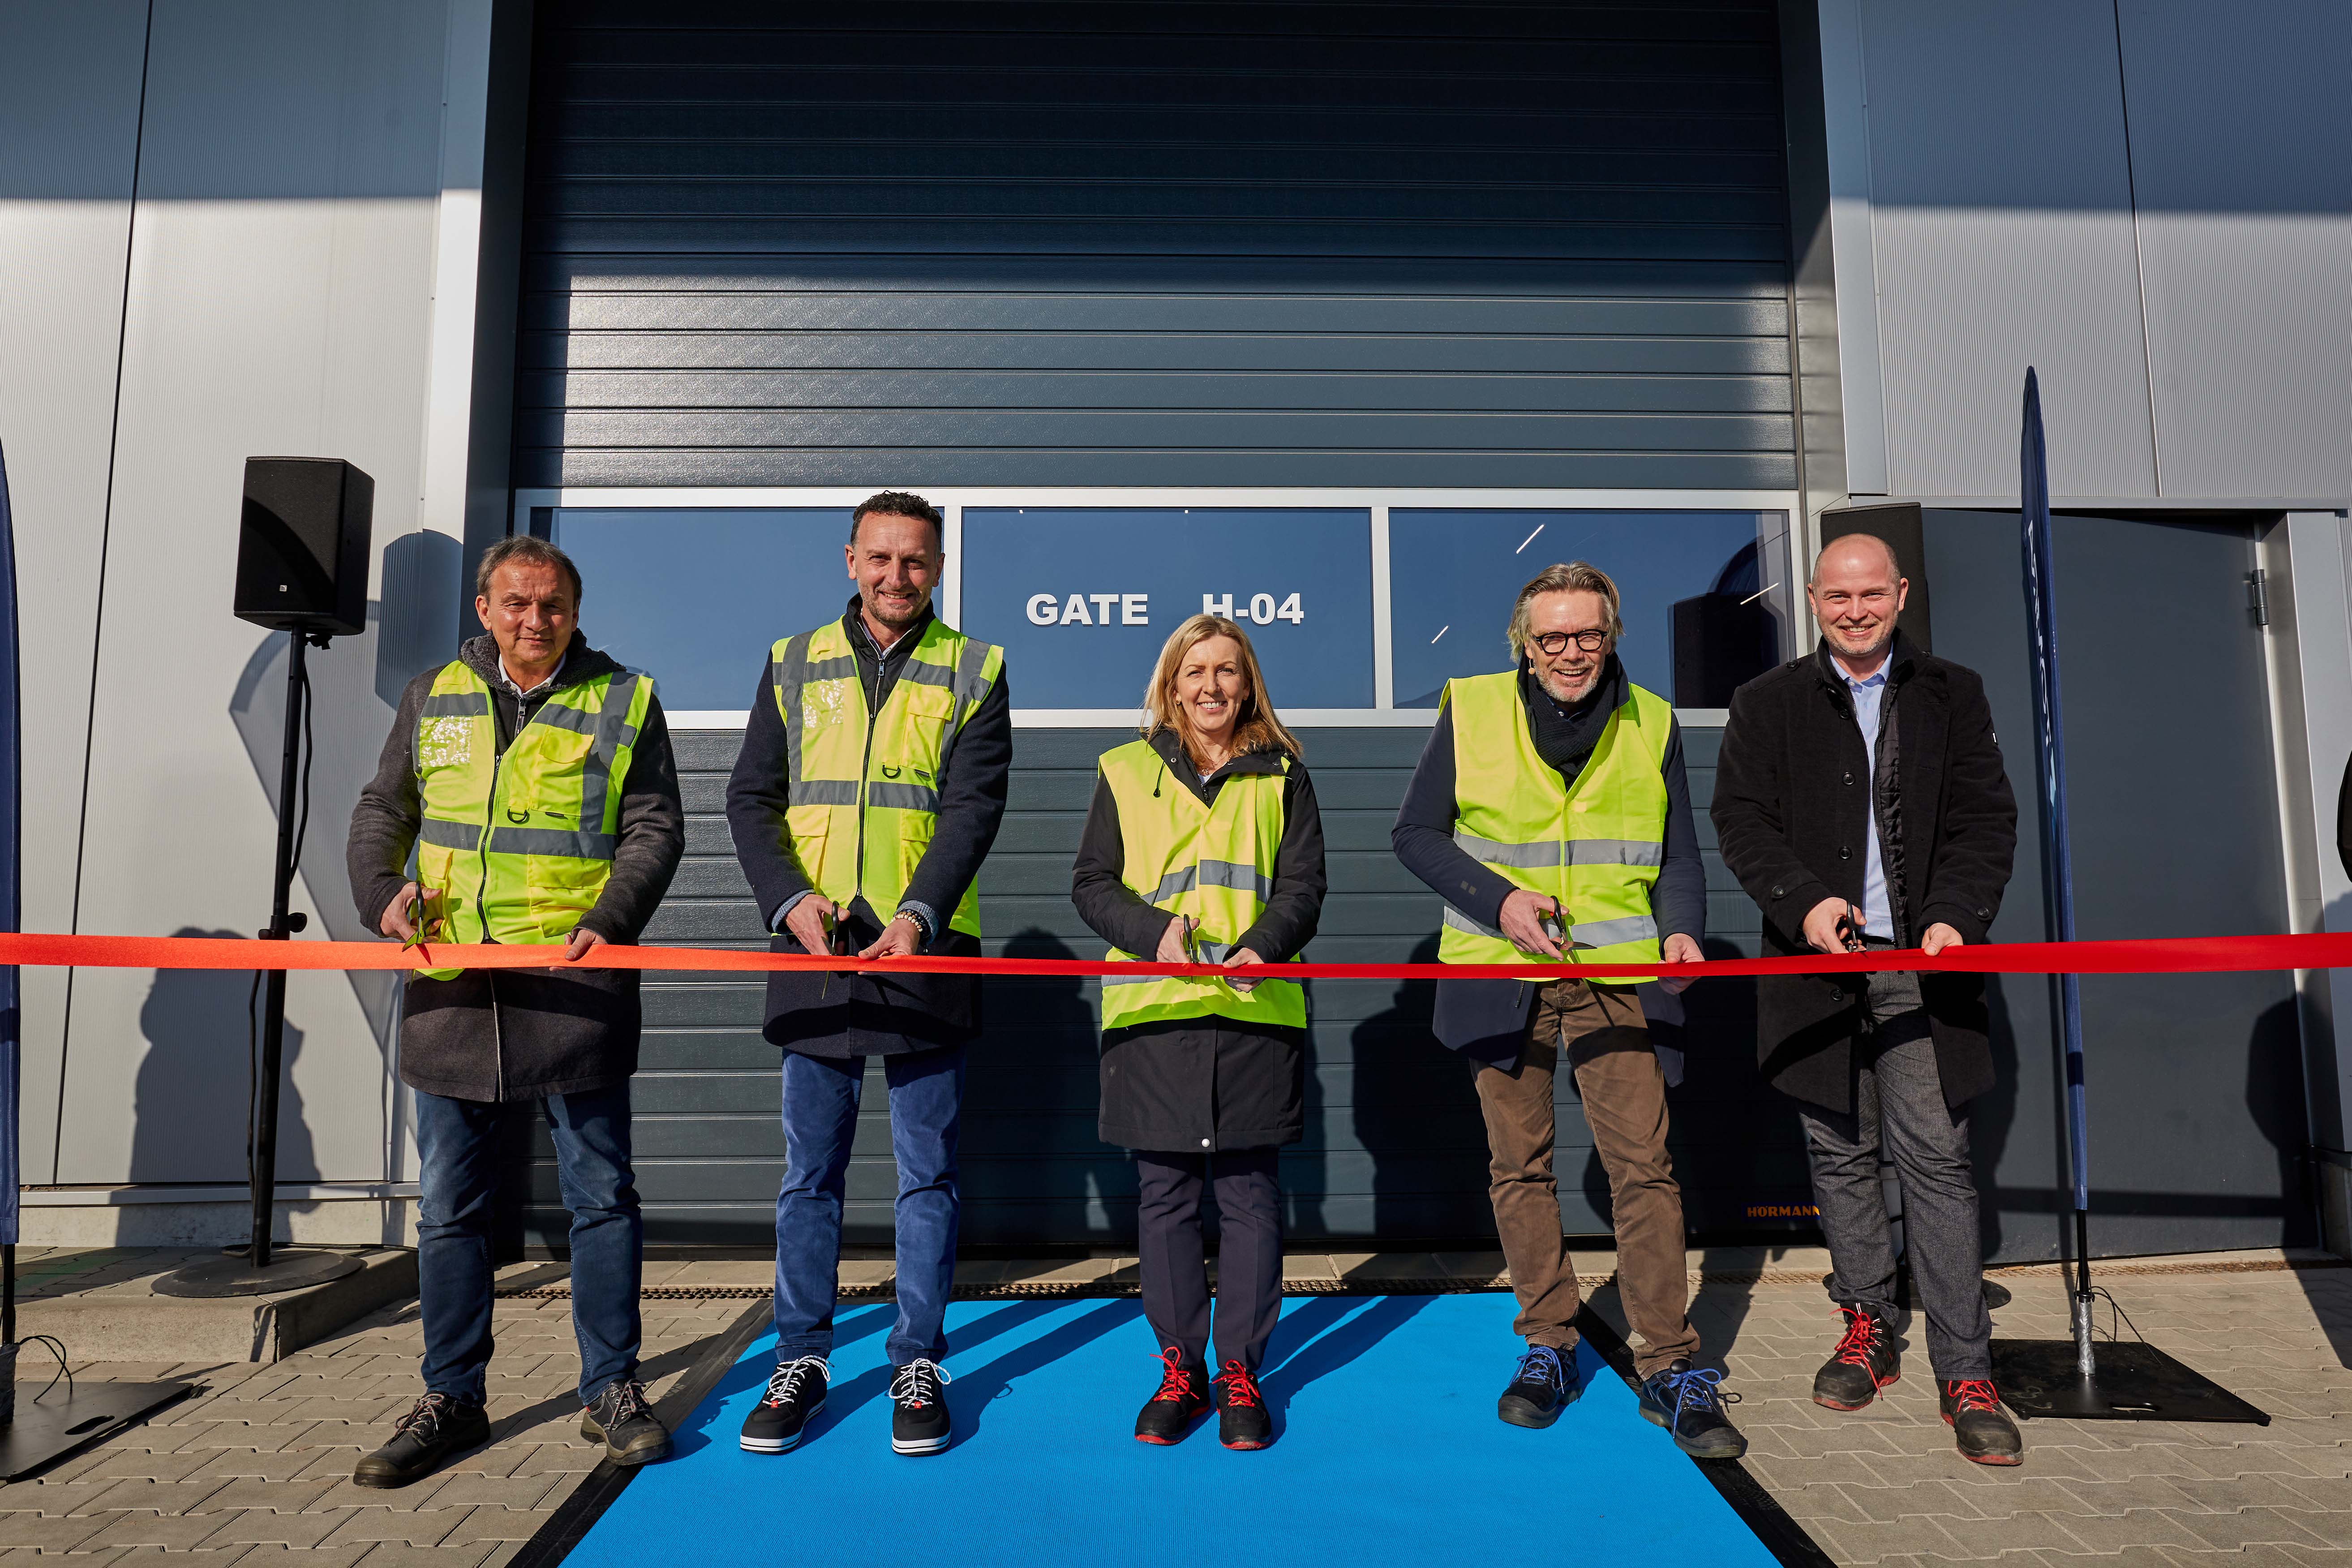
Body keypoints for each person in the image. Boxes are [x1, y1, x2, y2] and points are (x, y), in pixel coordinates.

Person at [344, 535, 685, 1486]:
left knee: (602, 1197)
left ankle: (611, 1390)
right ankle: (451, 1395)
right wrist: (380, 894)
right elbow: (384, 809)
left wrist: (610, 919)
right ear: (486, 609)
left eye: (553, 605)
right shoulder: (431, 693)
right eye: (517, 603)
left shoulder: (625, 697)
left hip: (575, 983)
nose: (535, 620)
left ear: (576, 611)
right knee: (451, 1205)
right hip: (452, 988)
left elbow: (656, 825)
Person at [1392, 562, 1739, 1457]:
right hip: (1500, 968)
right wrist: (1499, 899)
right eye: (1551, 636)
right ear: (1523, 639)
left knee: (1644, 1169)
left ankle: (1668, 1366)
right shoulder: (1469, 707)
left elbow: (1679, 856)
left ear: (1612, 631)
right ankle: (1548, 1344)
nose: (1570, 651)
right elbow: (1415, 834)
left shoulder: (1652, 719)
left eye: (1586, 633)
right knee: (1520, 1166)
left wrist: (1683, 931)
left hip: (1618, 974)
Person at [1710, 532, 2023, 1466]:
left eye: (1870, 593)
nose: (1854, 609)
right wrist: (1803, 902)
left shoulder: (1951, 692)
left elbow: (1985, 817)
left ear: (1899, 593)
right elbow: (1741, 821)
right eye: (1837, 594)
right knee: (1840, 1154)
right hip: (1816, 965)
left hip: (1924, 968)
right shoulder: (1765, 703)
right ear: (1812, 599)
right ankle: (1866, 1325)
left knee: (1934, 1156)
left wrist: (1958, 912)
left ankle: (1966, 1368)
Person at [726, 490, 1010, 1459]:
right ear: (850, 558)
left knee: (927, 1172)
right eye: (881, 558)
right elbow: (751, 797)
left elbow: (973, 808)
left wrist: (916, 912)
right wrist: (787, 900)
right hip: (814, 953)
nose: (898, 577)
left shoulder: (976, 667)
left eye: (916, 562)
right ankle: (800, 1354)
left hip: (922, 953)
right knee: (811, 1172)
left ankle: (916, 1358)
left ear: (938, 567)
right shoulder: (791, 660)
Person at [1071, 615, 1326, 1451]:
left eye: (1227, 670)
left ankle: (1241, 1372)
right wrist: (1154, 934)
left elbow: (1304, 886)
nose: (1211, 685)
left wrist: (1266, 943)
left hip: (1255, 1011)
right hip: (1155, 1012)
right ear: (1171, 684)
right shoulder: (1123, 768)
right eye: (1195, 671)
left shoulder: (1285, 774)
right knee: (1167, 1199)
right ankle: (1180, 1369)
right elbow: (1092, 883)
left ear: (1247, 682)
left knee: (1252, 1197)